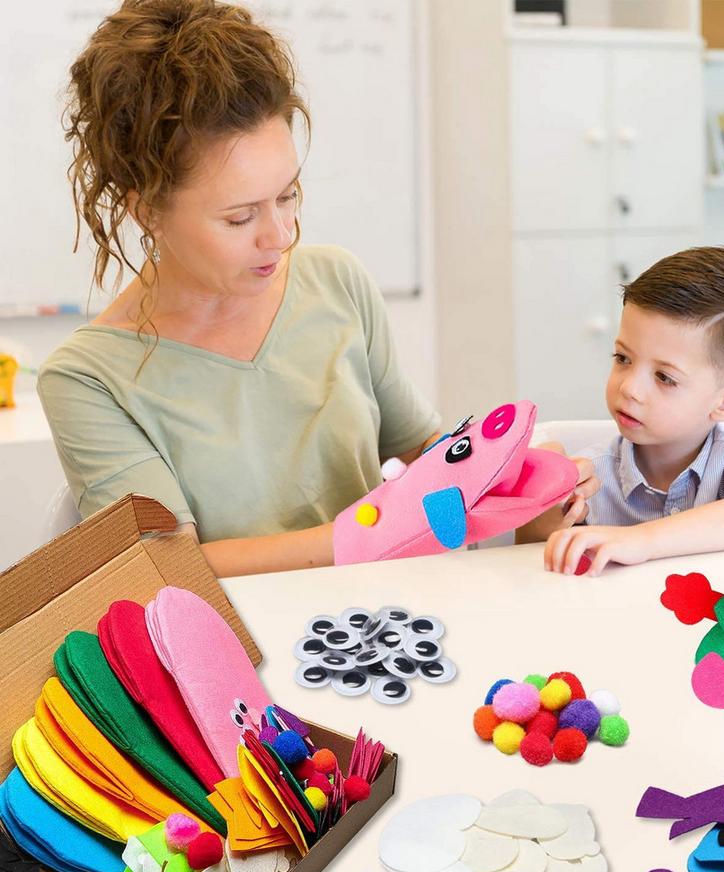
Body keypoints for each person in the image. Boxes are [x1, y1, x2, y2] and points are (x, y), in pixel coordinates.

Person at [38, 0, 444, 577]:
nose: (279, 236)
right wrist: (368, 537)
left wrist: (508, 479)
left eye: (287, 195)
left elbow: (424, 450)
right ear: (149, 211)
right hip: (239, 657)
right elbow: (169, 569)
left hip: (399, 626)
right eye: (239, 218)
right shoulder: (89, 380)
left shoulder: (337, 282)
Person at [520, 246, 724, 576]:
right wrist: (542, 507)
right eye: (622, 359)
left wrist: (641, 541)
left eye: (664, 377)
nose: (629, 387)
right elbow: (529, 565)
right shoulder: (594, 475)